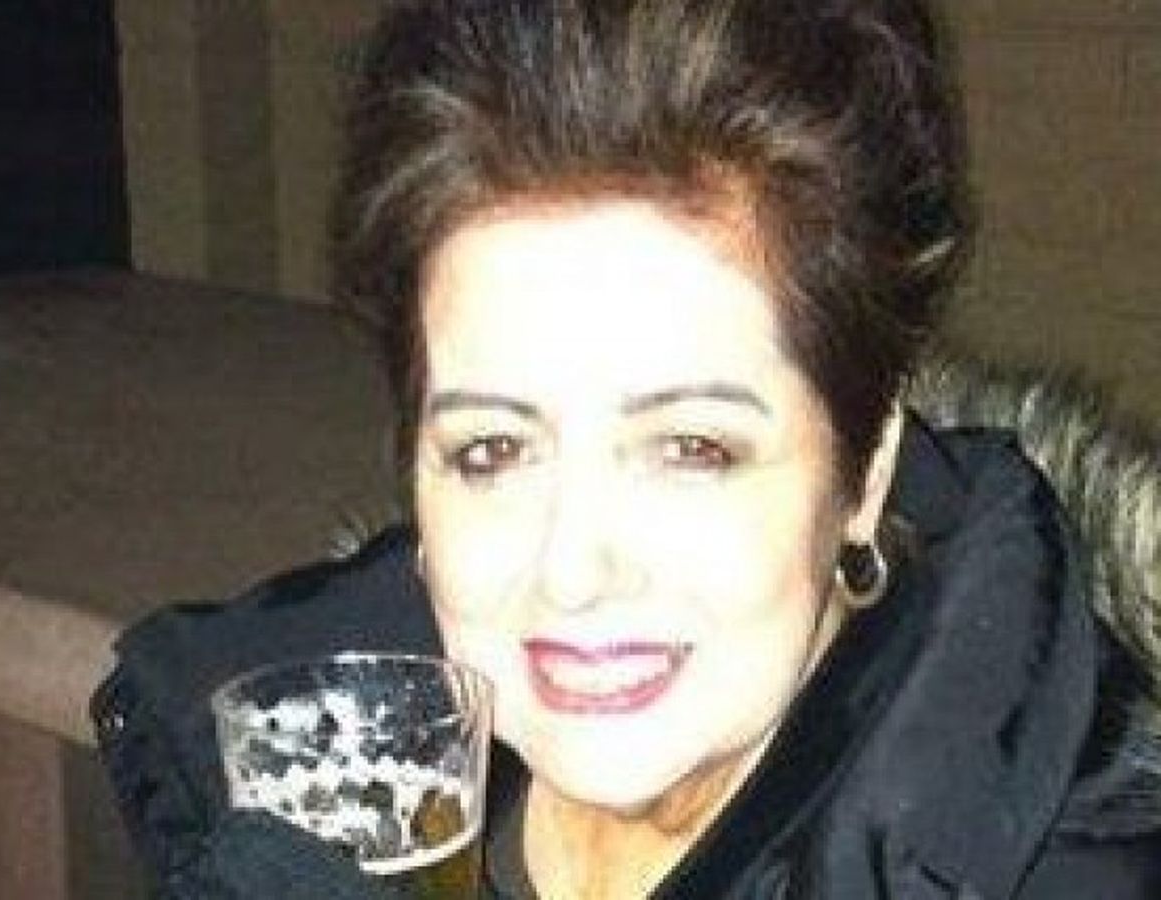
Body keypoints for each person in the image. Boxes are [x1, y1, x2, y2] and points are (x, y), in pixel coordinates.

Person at [90, 0, 1161, 896]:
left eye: (689, 447)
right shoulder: (317, 797)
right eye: (492, 449)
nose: (572, 571)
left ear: (865, 470)